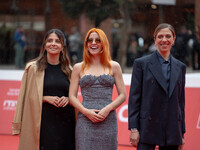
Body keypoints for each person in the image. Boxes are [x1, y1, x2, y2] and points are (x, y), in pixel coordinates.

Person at [12, 29, 75, 150]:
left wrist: (68, 99)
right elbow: (23, 98)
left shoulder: (70, 70)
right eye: (49, 40)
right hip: (42, 123)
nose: (53, 44)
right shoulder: (32, 68)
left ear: (62, 47)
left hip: (66, 123)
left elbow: (75, 97)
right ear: (44, 45)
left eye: (57, 41)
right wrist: (44, 98)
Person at [128, 23, 186, 150]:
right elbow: (134, 99)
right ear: (155, 39)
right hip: (147, 127)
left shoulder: (180, 67)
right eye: (160, 36)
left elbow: (180, 102)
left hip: (172, 129)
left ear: (173, 39)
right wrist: (134, 128)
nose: (164, 40)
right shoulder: (141, 64)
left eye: (168, 36)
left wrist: (181, 132)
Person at [69, 28, 126, 150]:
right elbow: (72, 96)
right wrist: (85, 111)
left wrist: (107, 109)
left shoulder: (114, 66)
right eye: (90, 40)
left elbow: (122, 95)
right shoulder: (78, 67)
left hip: (108, 119)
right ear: (86, 44)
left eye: (97, 40)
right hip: (85, 120)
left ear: (104, 43)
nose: (93, 43)